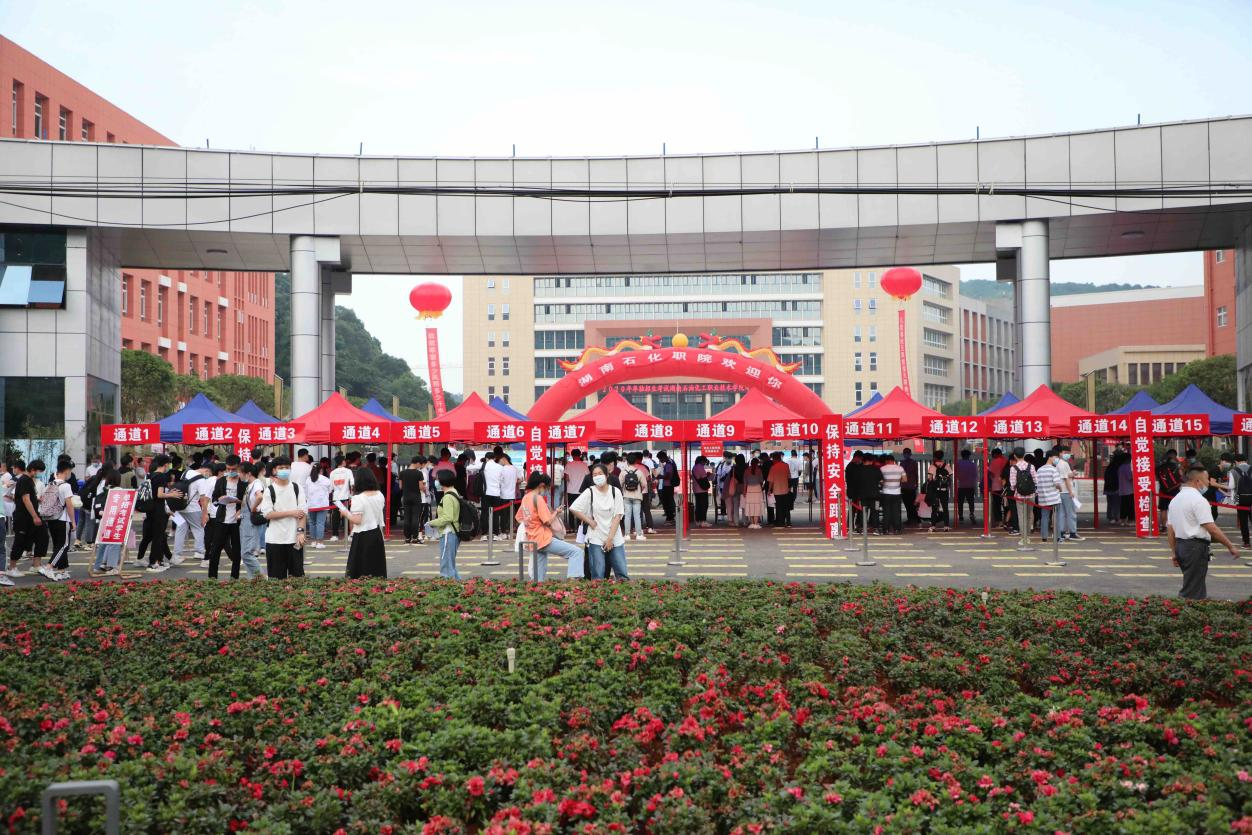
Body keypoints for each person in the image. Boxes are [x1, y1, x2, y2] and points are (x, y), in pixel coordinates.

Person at [1167, 464, 1240, 600]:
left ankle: (1184, 608)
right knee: (1193, 591)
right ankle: (1181, 610)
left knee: (1192, 585)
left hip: (1181, 546)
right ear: (1198, 481)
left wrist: (1174, 552)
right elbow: (1211, 528)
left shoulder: (1175, 500)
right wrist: (1230, 546)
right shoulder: (1199, 500)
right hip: (1195, 548)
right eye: (1206, 480)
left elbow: (1170, 529)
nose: (1208, 484)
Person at [517, 471, 581, 581]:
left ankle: (536, 587)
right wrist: (556, 512)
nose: (546, 490)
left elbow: (519, 517)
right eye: (546, 487)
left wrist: (530, 524)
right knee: (576, 552)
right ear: (541, 485)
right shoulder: (538, 499)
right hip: (543, 538)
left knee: (539, 574)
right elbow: (547, 521)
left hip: (532, 538)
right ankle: (573, 581)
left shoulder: (525, 498)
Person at [571, 463, 628, 579]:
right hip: (595, 537)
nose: (597, 476)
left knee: (622, 573)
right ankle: (598, 591)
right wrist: (589, 521)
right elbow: (574, 508)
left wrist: (610, 539)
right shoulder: (590, 492)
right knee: (598, 574)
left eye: (600, 474)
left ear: (607, 475)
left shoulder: (615, 492)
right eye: (594, 475)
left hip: (614, 537)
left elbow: (617, 516)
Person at [258, 456, 308, 579]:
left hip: (294, 540)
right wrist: (291, 513)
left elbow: (302, 512)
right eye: (281, 468)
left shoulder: (297, 488)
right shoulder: (269, 490)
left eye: (287, 467)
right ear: (274, 470)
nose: (284, 470)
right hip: (274, 540)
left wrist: (300, 532)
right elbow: (268, 514)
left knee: (297, 578)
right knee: (276, 579)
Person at [138, 455, 183, 573]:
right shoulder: (161, 476)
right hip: (158, 510)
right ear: (166, 464)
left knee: (153, 536)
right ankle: (153, 563)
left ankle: (155, 561)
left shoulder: (151, 475)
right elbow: (160, 494)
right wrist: (172, 495)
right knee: (158, 537)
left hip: (150, 509)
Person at [205, 456, 247, 580]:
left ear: (239, 467)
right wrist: (220, 499)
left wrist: (238, 502)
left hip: (237, 521)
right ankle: (212, 578)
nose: (230, 471)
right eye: (228, 469)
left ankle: (234, 578)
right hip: (221, 519)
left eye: (233, 469)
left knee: (236, 551)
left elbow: (247, 502)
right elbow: (214, 499)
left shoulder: (243, 482)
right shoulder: (221, 481)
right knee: (215, 549)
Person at [343, 467, 388, 579]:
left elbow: (357, 520)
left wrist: (345, 513)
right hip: (377, 533)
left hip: (362, 535)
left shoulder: (358, 498)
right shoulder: (379, 494)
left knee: (361, 566)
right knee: (376, 565)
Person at [40, 458, 77, 581]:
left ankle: (62, 571)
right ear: (66, 471)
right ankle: (48, 567)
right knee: (63, 545)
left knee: (58, 545)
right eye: (70, 471)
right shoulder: (66, 486)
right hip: (62, 518)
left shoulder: (50, 484)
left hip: (51, 518)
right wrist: (73, 521)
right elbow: (69, 505)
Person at [171, 459, 212, 565]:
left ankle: (176, 555)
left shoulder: (186, 472)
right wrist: (204, 513)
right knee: (199, 528)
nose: (208, 476)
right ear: (206, 470)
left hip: (179, 506)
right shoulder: (201, 480)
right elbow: (203, 498)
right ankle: (200, 552)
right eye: (209, 474)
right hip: (192, 508)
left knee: (180, 529)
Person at [426, 469, 463, 579]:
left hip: (448, 532)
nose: (436, 481)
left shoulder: (447, 497)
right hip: (453, 531)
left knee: (446, 565)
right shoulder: (454, 492)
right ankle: (457, 584)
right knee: (450, 563)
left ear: (443, 481)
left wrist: (431, 523)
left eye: (437, 479)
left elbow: (448, 517)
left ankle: (448, 585)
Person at [88, 469, 126, 577]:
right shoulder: (119, 491)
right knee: (115, 542)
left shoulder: (104, 489)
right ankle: (112, 566)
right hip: (115, 520)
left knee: (103, 543)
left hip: (103, 520)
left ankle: (98, 566)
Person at [237, 464, 267, 578]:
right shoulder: (250, 485)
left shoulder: (256, 483)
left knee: (246, 554)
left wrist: (253, 509)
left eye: (240, 472)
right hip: (245, 520)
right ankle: (253, 581)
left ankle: (261, 578)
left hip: (250, 520)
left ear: (248, 474)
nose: (239, 475)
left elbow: (259, 497)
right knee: (246, 553)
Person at [1054, 445, 1084, 541]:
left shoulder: (1059, 463)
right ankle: (1072, 533)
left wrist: (1072, 474)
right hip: (1066, 491)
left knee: (1061, 513)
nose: (1067, 454)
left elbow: (1066, 475)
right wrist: (1071, 491)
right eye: (1065, 453)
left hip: (1061, 492)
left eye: (1068, 453)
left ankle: (1061, 533)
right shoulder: (1063, 463)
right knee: (1071, 513)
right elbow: (1066, 479)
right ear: (1060, 453)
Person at [1034, 451, 1064, 543]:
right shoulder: (1053, 470)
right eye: (1055, 457)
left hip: (1043, 498)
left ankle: (1044, 537)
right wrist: (1060, 489)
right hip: (1054, 497)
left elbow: (1036, 483)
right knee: (1057, 517)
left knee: (1044, 517)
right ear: (1050, 457)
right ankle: (1058, 537)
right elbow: (1057, 484)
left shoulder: (1039, 470)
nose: (1056, 459)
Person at [1006, 447, 1036, 538]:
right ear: (1024, 454)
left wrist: (1016, 488)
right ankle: (1028, 535)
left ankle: (1024, 538)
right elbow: (1036, 480)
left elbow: (1012, 485)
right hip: (1031, 494)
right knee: (1029, 515)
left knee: (1021, 516)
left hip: (1019, 495)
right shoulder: (1031, 466)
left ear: (1015, 456)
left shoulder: (1013, 468)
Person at [924, 450, 952, 533]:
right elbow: (950, 477)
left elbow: (930, 479)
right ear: (942, 457)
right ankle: (946, 526)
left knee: (934, 509)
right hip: (944, 490)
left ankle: (933, 526)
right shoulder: (947, 466)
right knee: (945, 508)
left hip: (935, 490)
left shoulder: (932, 467)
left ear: (935, 457)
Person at [304, 466, 331, 549]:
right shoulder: (325, 479)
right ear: (321, 470)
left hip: (311, 504)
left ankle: (313, 541)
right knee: (320, 523)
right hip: (322, 504)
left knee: (312, 523)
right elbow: (330, 490)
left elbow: (305, 492)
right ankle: (320, 542)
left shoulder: (308, 479)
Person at [480, 448, 504, 540]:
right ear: (494, 458)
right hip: (496, 493)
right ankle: (495, 533)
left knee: (485, 513)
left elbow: (469, 468)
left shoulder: (484, 465)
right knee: (496, 514)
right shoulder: (500, 467)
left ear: (486, 458)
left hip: (486, 492)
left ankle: (484, 533)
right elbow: (502, 480)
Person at [622, 452, 647, 541]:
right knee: (637, 516)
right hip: (637, 497)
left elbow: (620, 484)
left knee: (627, 516)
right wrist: (639, 490)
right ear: (635, 461)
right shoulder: (639, 472)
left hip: (626, 496)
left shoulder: (623, 472)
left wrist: (624, 491)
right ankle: (639, 535)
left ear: (627, 461)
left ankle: (627, 535)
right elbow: (644, 484)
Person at [1156, 449, 1182, 530]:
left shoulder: (1161, 466)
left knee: (1163, 509)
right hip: (1175, 490)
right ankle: (1175, 526)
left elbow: (1157, 477)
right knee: (1175, 509)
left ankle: (1164, 526)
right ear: (1175, 456)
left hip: (1163, 490)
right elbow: (1182, 478)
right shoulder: (1177, 466)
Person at [329, 455, 354, 541]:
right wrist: (352, 495)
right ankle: (348, 535)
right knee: (347, 516)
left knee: (335, 517)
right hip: (346, 496)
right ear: (343, 462)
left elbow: (330, 487)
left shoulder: (332, 472)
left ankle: (335, 535)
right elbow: (352, 484)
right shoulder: (348, 471)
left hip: (336, 497)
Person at [879, 454, 906, 534]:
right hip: (897, 493)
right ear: (893, 460)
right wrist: (897, 481)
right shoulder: (900, 468)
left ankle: (886, 529)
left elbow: (880, 480)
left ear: (886, 461)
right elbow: (905, 480)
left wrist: (885, 482)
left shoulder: (882, 468)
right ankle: (897, 529)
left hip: (886, 492)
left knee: (886, 511)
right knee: (896, 512)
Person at [767, 452, 793, 528]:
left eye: (773, 459)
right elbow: (789, 478)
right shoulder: (786, 466)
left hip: (777, 490)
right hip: (785, 490)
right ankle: (788, 522)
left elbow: (771, 481)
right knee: (786, 507)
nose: (772, 460)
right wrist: (789, 487)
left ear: (775, 459)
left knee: (779, 507)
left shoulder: (773, 467)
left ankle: (780, 522)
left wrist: (769, 490)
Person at [956, 448, 979, 525]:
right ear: (969, 456)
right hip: (970, 485)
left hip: (961, 485)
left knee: (960, 502)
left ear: (962, 455)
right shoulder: (972, 464)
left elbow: (957, 475)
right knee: (971, 501)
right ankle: (971, 513)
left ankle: (961, 516)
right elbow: (975, 475)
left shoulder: (958, 464)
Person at [1103, 446, 1124, 527]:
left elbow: (1105, 477)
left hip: (1108, 487)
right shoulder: (1119, 467)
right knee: (1117, 503)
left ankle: (1111, 517)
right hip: (1116, 487)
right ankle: (1117, 518)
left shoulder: (1110, 466)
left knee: (1110, 503)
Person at [742, 457, 765, 529]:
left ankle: (752, 523)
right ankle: (756, 523)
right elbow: (761, 480)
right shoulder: (759, 470)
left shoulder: (746, 470)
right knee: (757, 506)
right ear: (757, 463)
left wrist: (744, 491)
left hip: (749, 489)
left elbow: (745, 482)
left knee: (750, 506)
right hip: (757, 489)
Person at [656, 451, 677, 523]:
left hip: (668, 486)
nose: (660, 460)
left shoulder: (668, 465)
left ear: (663, 457)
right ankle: (670, 517)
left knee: (667, 502)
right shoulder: (670, 463)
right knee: (668, 501)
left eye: (660, 459)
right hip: (668, 485)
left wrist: (660, 476)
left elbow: (668, 475)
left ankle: (670, 518)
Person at [900, 448, 920, 526]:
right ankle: (914, 518)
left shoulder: (903, 463)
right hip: (909, 486)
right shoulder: (912, 463)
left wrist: (916, 483)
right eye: (905, 453)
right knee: (910, 504)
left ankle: (913, 518)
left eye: (907, 453)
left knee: (909, 504)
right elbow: (916, 474)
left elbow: (915, 474)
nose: (906, 455)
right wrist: (916, 483)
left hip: (907, 486)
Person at [691, 456, 711, 528]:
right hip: (702, 490)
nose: (705, 463)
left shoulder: (694, 467)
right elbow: (703, 477)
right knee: (704, 505)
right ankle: (703, 521)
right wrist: (708, 475)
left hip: (696, 489)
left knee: (699, 505)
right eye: (705, 461)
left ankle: (698, 521)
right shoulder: (700, 467)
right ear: (701, 461)